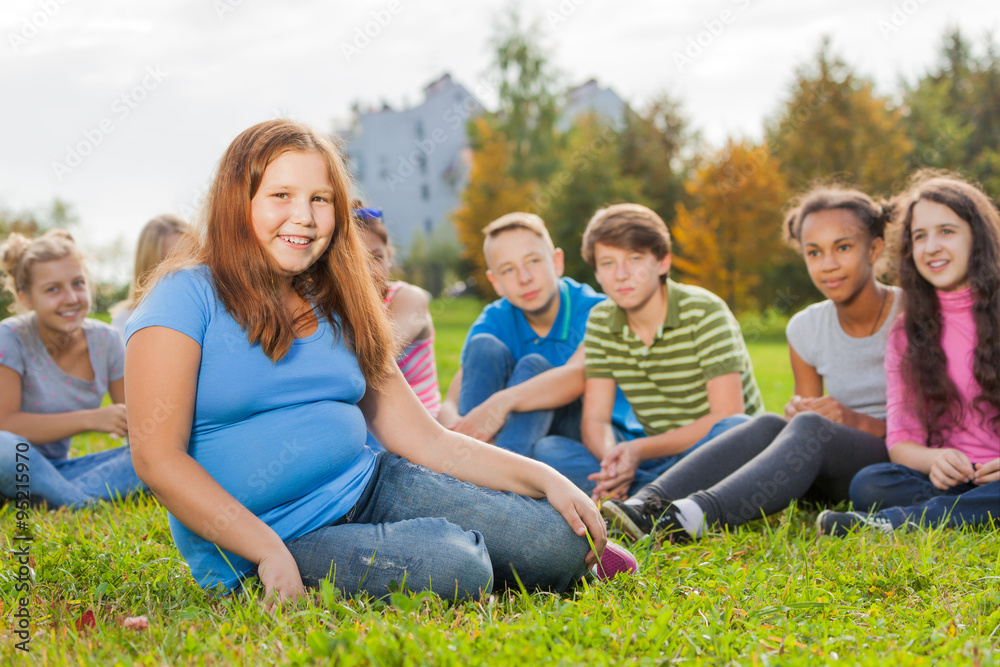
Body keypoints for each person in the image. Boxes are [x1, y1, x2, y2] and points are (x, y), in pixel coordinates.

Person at [124, 119, 634, 605]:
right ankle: (445, 547)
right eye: (281, 195)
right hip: (263, 539)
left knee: (562, 542)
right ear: (239, 201)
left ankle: (467, 542)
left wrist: (546, 478)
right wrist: (266, 551)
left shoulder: (339, 301)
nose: (303, 216)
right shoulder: (183, 297)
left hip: (370, 485)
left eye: (320, 199)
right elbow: (157, 459)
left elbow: (427, 439)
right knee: (457, 568)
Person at [598, 190, 899, 541]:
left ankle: (691, 516)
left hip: (891, 466)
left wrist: (853, 420)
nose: (827, 264)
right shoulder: (804, 327)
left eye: (843, 248)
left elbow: (934, 428)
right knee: (771, 422)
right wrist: (800, 411)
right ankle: (643, 504)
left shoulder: (912, 314)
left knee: (812, 428)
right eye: (814, 252)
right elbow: (804, 419)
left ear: (874, 249)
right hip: (829, 472)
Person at [819, 172, 1000, 535]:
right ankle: (967, 512)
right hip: (953, 480)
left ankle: (897, 523)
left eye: (946, 231)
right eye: (920, 236)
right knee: (869, 483)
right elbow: (901, 440)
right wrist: (935, 460)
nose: (931, 247)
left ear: (977, 238)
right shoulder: (908, 330)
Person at [438, 212, 646, 479]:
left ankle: (492, 485)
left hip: (595, 437)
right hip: (527, 437)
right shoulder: (495, 318)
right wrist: (457, 434)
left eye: (533, 261)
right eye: (508, 270)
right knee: (483, 347)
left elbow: (576, 376)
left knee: (535, 374)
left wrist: (502, 402)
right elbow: (451, 401)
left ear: (557, 262)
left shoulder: (597, 311)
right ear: (496, 282)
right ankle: (471, 474)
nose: (524, 278)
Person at [579, 203, 761, 503]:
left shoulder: (704, 310)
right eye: (608, 263)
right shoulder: (600, 321)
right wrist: (614, 460)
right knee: (553, 450)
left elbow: (727, 414)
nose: (621, 275)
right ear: (597, 272)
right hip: (656, 455)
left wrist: (639, 451)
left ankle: (646, 494)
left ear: (662, 262)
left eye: (634, 259)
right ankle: (649, 490)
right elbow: (595, 419)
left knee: (739, 428)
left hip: (718, 450)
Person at [0, 230, 144, 508]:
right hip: (12, 461)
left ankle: (53, 497)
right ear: (26, 298)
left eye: (78, 284)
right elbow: (5, 424)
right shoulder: (10, 337)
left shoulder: (108, 341)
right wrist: (90, 419)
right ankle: (79, 503)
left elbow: (137, 430)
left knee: (153, 457)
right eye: (53, 289)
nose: (71, 298)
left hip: (62, 472)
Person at [354, 206, 441, 417]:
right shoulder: (336, 307)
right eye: (357, 260)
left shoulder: (409, 299)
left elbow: (375, 358)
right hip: (369, 430)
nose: (370, 271)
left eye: (377, 257)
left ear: (390, 255)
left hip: (421, 429)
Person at [110, 214, 191, 339]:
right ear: (151, 268)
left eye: (193, 255)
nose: (188, 268)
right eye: (173, 262)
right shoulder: (126, 322)